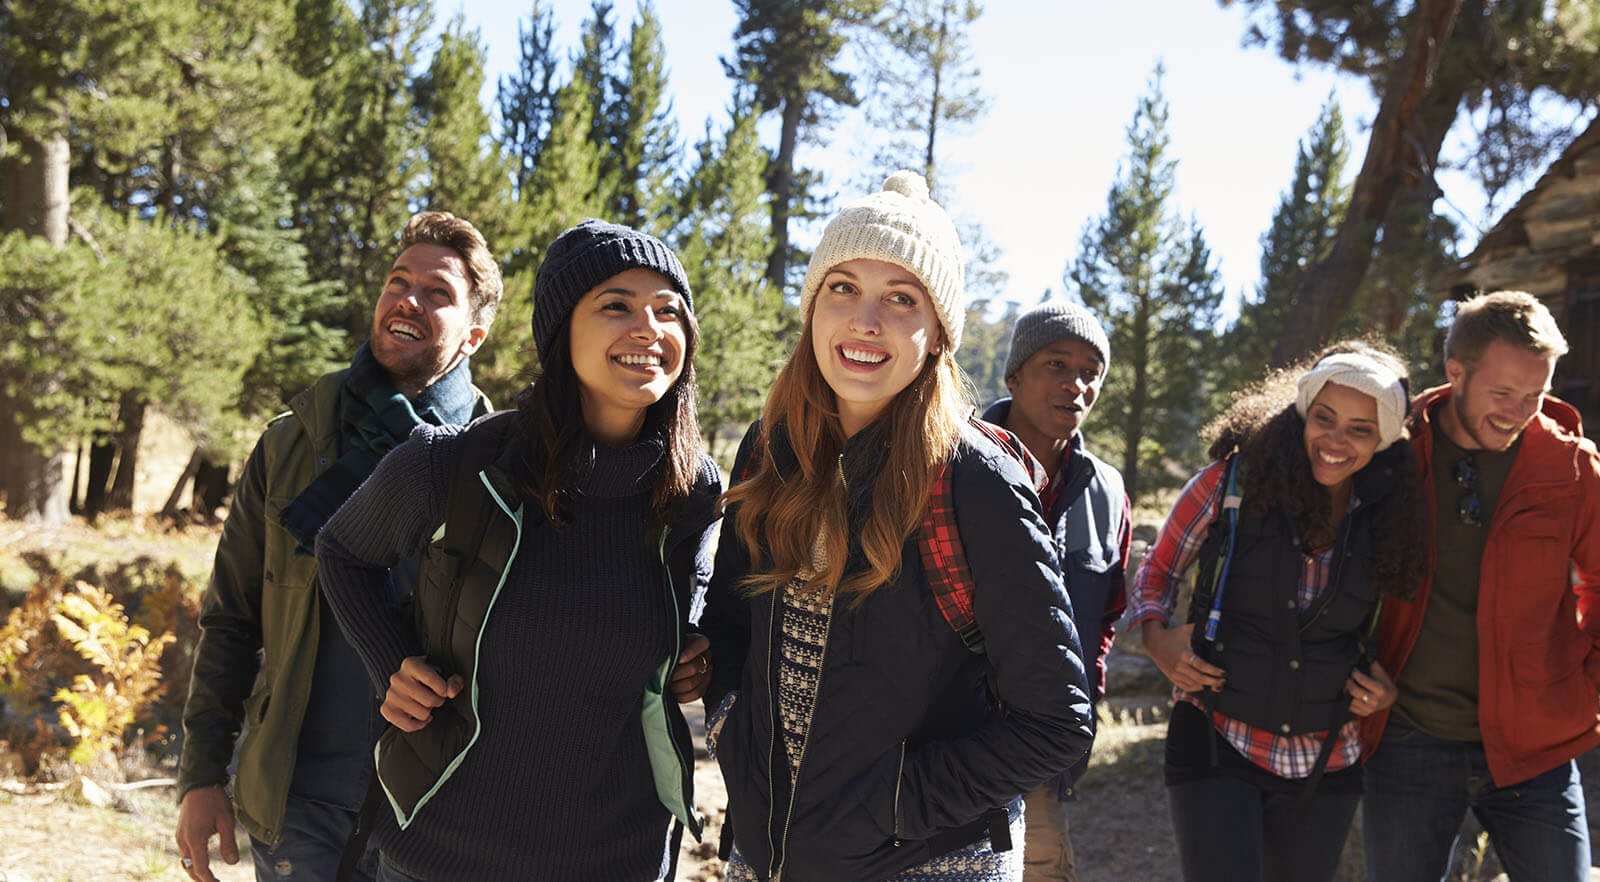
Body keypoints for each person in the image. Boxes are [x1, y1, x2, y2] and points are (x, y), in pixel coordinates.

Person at [700, 171, 1094, 882]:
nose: (865, 321)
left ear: (939, 330)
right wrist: (732, 723)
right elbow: (730, 621)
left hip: (926, 864)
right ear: (813, 306)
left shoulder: (975, 482)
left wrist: (889, 802)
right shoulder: (770, 449)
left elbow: (1057, 721)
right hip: (764, 856)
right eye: (842, 287)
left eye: (902, 298)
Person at [313, 219, 721, 882]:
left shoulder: (694, 490)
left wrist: (695, 653)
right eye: (616, 305)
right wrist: (392, 663)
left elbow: (688, 629)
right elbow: (340, 551)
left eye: (668, 310)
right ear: (561, 334)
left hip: (623, 859)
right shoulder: (454, 463)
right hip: (441, 857)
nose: (649, 328)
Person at [174, 212, 502, 882]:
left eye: (437, 293)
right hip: (301, 802)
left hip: (433, 811)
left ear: (474, 332)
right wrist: (202, 774)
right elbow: (232, 620)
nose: (406, 300)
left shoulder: (499, 466)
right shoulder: (293, 441)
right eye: (396, 282)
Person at [1131, 340, 1426, 882]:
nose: (1335, 442)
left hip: (1327, 757)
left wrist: (1385, 690)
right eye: (1324, 418)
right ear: (1301, 413)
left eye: (1360, 429)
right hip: (1216, 737)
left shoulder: (1392, 512)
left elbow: (1393, 623)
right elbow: (1158, 570)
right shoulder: (1231, 484)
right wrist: (1155, 635)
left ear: (1383, 439)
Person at [1359, 290, 1600, 882]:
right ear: (1456, 371)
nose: (1519, 412)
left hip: (1536, 748)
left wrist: (1587, 684)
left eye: (1535, 395)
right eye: (1502, 394)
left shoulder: (1572, 467)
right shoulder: (1391, 449)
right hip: (1406, 738)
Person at [980, 301, 1131, 882]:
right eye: (1057, 364)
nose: (1077, 383)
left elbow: (1106, 614)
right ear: (1015, 374)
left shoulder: (1107, 490)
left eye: (1092, 370)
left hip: (1042, 753)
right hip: (943, 746)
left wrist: (1081, 717)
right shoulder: (950, 457)